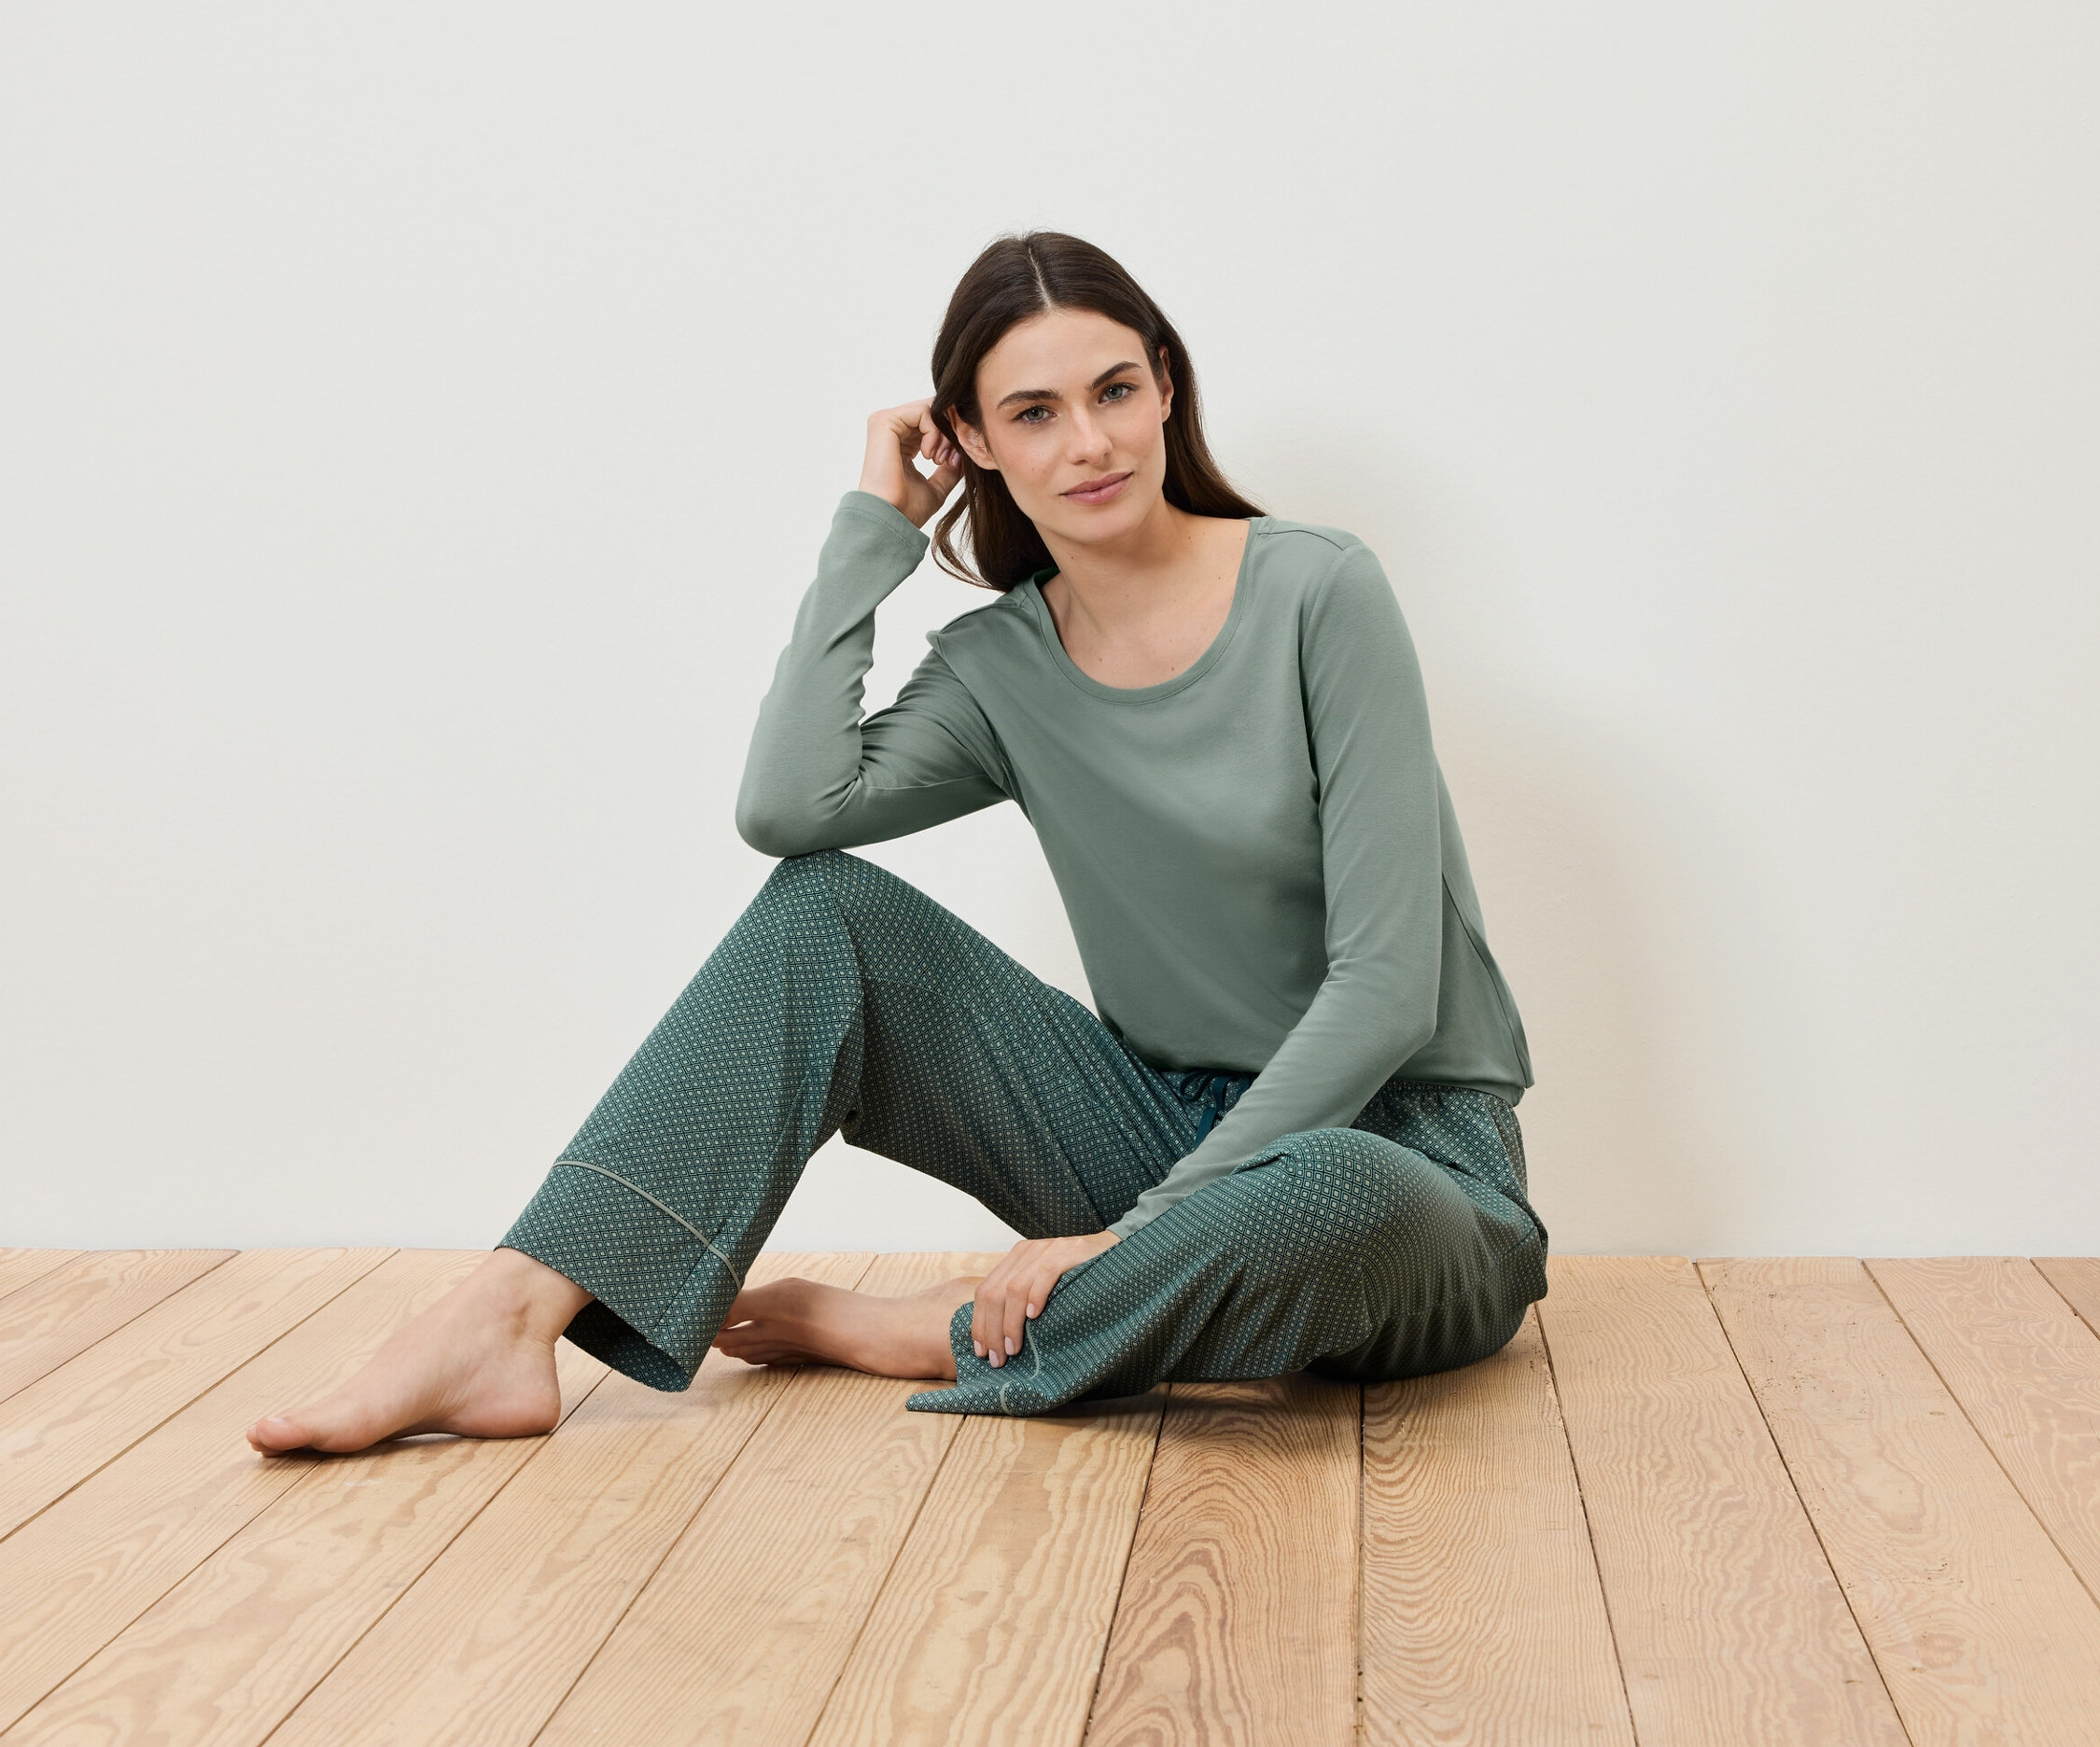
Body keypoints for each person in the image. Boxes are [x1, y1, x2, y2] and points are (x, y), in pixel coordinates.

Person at [247, 231, 1546, 1455]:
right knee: (825, 912)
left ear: (1164, 393)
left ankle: (925, 1326)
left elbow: (1383, 994)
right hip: (1156, 1133)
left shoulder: (1319, 590)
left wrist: (1137, 1228)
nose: (1088, 441)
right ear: (972, 441)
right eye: (1033, 413)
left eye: (1113, 390)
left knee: (1325, 1181)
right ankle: (506, 1317)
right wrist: (874, 533)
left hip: (1399, 1171)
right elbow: (788, 810)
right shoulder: (1001, 667)